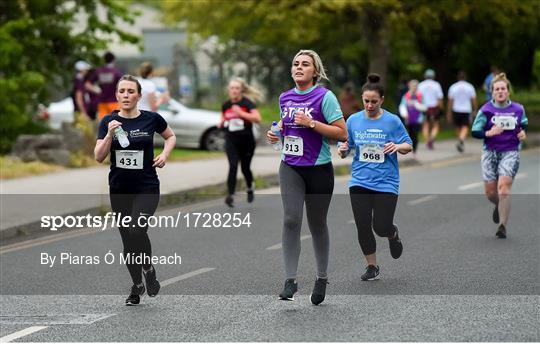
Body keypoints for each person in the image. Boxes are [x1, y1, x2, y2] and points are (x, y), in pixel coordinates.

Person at [266, 50, 347, 305]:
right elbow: (285, 126)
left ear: (315, 71)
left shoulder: (325, 97)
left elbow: (341, 133)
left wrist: (312, 123)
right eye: (295, 64)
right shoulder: (285, 97)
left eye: (305, 64)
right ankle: (290, 280)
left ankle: (321, 277)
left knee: (317, 223)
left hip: (319, 169)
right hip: (290, 166)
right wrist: (275, 134)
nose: (299, 67)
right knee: (291, 219)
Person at [94, 75, 176, 305]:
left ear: (139, 96)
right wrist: (110, 134)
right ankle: (137, 284)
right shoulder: (108, 121)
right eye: (122, 91)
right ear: (117, 95)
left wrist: (164, 155)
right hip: (119, 189)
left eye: (131, 91)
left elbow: (170, 136)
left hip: (147, 186)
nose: (126, 95)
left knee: (136, 230)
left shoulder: (151, 119)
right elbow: (98, 157)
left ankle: (148, 269)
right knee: (127, 240)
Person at [338, 73, 412, 281]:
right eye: (366, 101)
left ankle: (392, 233)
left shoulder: (392, 121)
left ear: (382, 100)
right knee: (362, 224)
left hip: (386, 182)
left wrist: (397, 146)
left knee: (380, 226)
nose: (369, 105)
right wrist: (343, 149)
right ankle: (372, 266)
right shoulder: (353, 120)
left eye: (373, 101)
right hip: (359, 180)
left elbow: (408, 145)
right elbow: (346, 145)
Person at [471, 73, 527, 239]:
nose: (500, 91)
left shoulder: (518, 109)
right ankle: (497, 204)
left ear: (508, 91)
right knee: (490, 192)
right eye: (497, 89)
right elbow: (475, 131)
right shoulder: (486, 110)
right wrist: (490, 132)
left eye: (503, 88)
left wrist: (522, 134)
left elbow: (522, 126)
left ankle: (502, 225)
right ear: (492, 92)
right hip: (490, 152)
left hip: (510, 151)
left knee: (503, 187)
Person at [220, 77, 262, 207]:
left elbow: (257, 118)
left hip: (247, 141)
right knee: (232, 166)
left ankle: (250, 187)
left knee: (245, 168)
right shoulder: (226, 105)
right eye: (232, 88)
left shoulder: (247, 103)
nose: (234, 90)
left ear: (241, 90)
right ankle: (230, 195)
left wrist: (241, 114)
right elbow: (223, 119)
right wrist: (221, 123)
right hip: (231, 140)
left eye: (237, 88)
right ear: (229, 90)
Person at [447, 71, 477, 153]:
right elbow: (473, 99)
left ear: (458, 77)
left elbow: (450, 101)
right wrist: (475, 109)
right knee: (465, 126)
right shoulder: (470, 87)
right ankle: (461, 139)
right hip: (466, 109)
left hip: (456, 109)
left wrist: (449, 112)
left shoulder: (453, 87)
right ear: (465, 77)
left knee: (457, 126)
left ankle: (460, 139)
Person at [87, 52, 122, 120]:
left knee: (104, 124)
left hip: (102, 102)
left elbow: (87, 84)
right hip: (114, 101)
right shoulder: (116, 72)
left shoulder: (99, 71)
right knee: (117, 124)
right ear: (113, 60)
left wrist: (97, 90)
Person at [398, 79, 426, 158]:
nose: (414, 87)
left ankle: (414, 151)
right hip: (409, 119)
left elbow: (424, 107)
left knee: (415, 134)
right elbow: (402, 106)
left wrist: (417, 105)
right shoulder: (406, 96)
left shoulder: (420, 95)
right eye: (413, 86)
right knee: (410, 134)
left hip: (418, 119)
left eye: (415, 86)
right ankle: (410, 149)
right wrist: (404, 114)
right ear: (409, 86)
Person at [418, 69, 444, 150]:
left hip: (424, 107)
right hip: (434, 107)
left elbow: (418, 97)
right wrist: (441, 107)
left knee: (425, 124)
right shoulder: (436, 85)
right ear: (433, 76)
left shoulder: (421, 85)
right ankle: (432, 138)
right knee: (436, 125)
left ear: (425, 76)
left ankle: (427, 141)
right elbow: (439, 98)